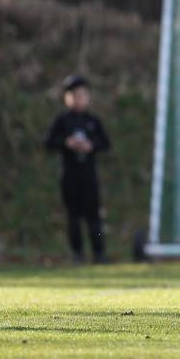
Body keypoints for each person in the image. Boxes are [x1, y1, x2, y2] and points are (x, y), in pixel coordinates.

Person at [45, 75, 111, 264]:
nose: (79, 99)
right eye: (74, 95)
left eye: (82, 95)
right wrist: (67, 143)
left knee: (95, 217)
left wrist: (91, 146)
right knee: (73, 216)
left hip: (89, 174)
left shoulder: (93, 120)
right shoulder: (63, 120)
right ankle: (77, 253)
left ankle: (99, 252)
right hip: (69, 174)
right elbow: (49, 142)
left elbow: (105, 143)